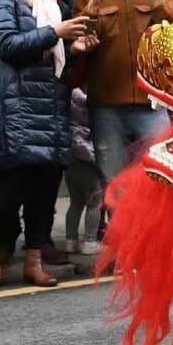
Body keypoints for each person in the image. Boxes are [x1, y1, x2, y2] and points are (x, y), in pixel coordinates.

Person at [0, 0, 96, 286]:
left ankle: (34, 260)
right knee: (12, 187)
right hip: (17, 103)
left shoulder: (52, 1)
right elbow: (6, 43)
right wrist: (56, 33)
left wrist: (75, 50)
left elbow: (53, 57)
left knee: (45, 190)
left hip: (51, 102)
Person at [73, 0, 173, 188]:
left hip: (152, 101)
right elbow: (80, 39)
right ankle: (119, 230)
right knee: (113, 181)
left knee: (161, 174)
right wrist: (94, 5)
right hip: (106, 104)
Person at [64, 86, 104, 254]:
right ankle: (90, 241)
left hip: (71, 164)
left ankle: (70, 240)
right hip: (89, 165)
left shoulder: (70, 105)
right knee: (95, 202)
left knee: (75, 203)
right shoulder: (93, 108)